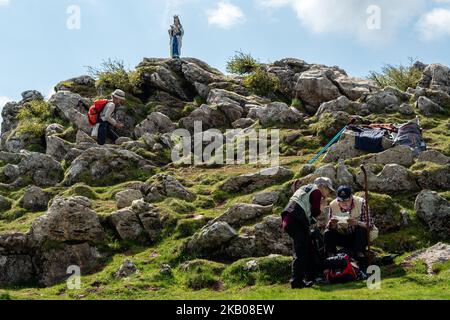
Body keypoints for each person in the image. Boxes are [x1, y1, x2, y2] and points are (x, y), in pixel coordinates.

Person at [281, 177, 335, 289]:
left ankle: (310, 277)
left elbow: (307, 212)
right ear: (322, 186)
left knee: (307, 248)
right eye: (328, 190)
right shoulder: (316, 191)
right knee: (300, 252)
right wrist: (322, 206)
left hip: (289, 219)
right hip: (296, 221)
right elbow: (315, 211)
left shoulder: (305, 188)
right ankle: (296, 282)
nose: (328, 194)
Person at [324, 186, 378, 260]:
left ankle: (360, 255)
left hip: (359, 237)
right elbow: (328, 226)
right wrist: (332, 225)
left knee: (360, 230)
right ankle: (331, 257)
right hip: (343, 235)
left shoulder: (362, 203)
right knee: (328, 232)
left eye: (346, 200)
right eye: (341, 200)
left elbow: (370, 225)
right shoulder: (332, 205)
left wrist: (357, 223)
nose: (344, 203)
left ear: (351, 197)